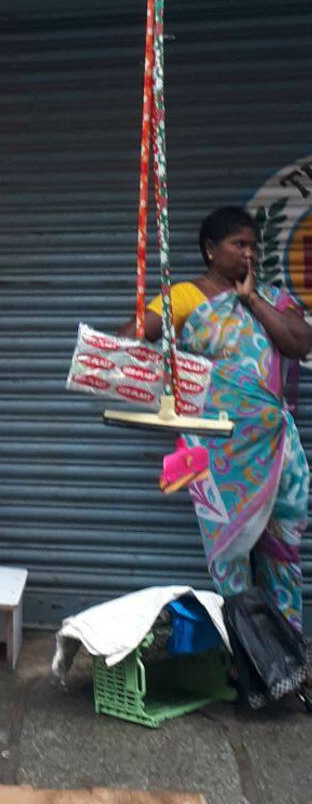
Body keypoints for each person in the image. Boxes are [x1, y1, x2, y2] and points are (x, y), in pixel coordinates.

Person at [123, 206, 312, 632]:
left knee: (282, 556)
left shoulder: (274, 298)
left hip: (276, 450)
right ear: (212, 250)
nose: (249, 254)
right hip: (219, 456)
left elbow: (299, 343)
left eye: (254, 246)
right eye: (238, 244)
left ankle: (289, 656)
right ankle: (248, 659)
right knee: (230, 562)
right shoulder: (186, 298)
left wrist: (251, 300)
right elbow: (134, 336)